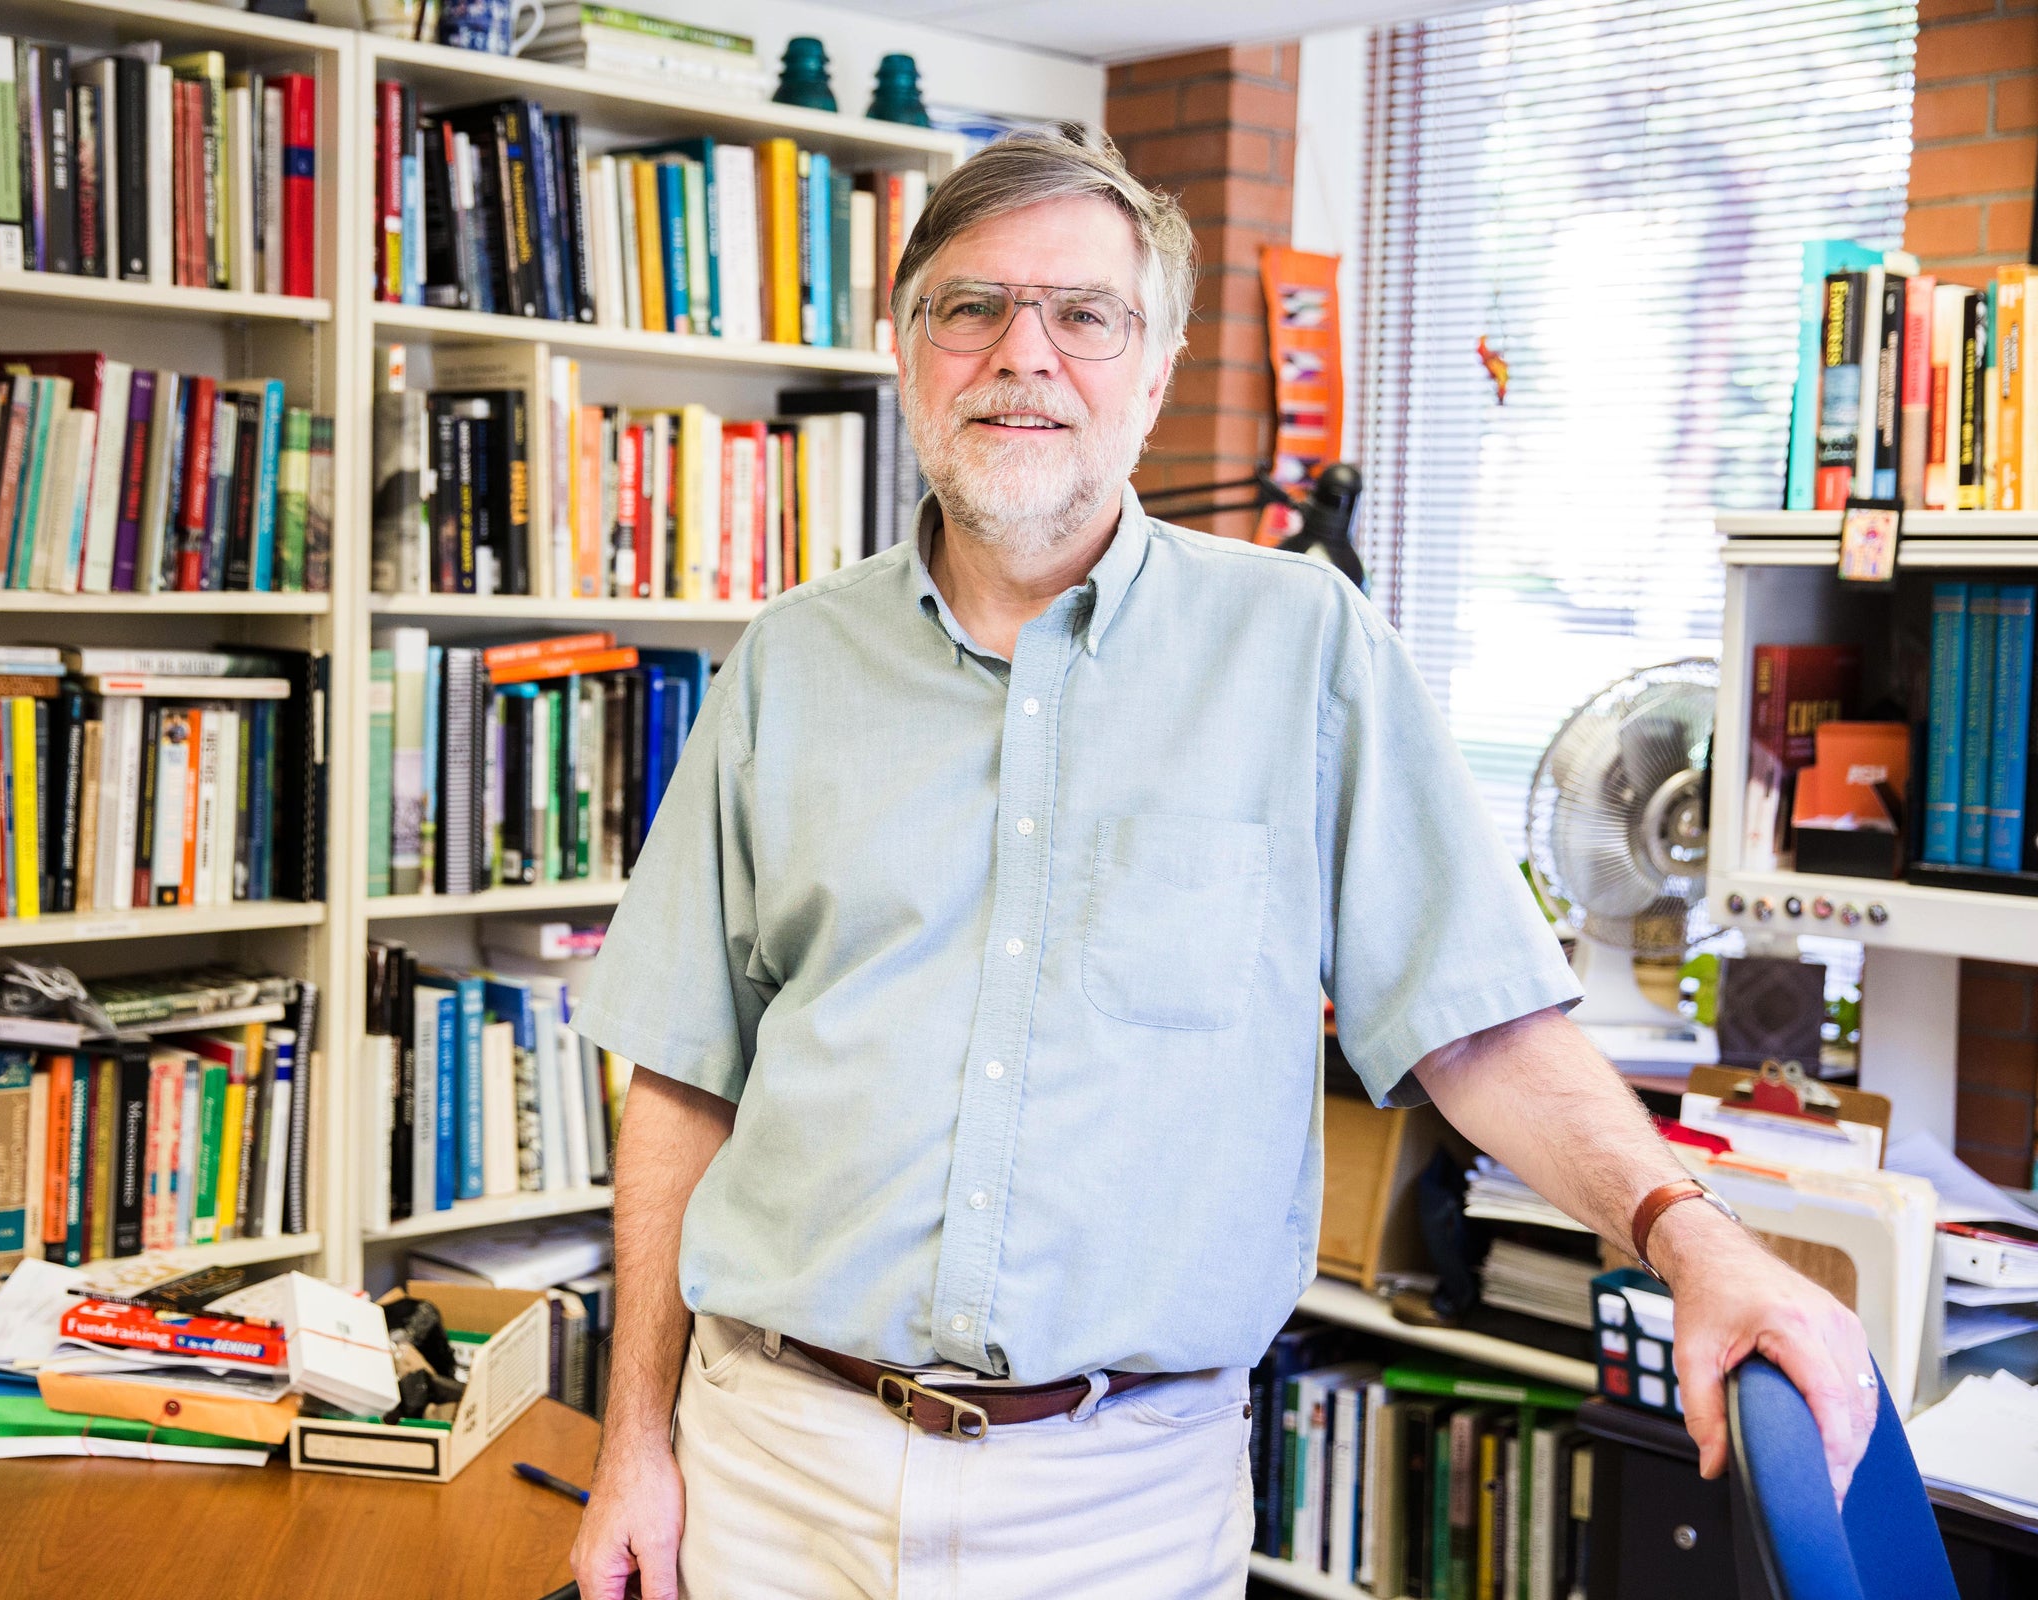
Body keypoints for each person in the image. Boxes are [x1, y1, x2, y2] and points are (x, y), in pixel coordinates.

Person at [566, 125, 1876, 1600]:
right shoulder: (786, 666)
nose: (1026, 354)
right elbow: (685, 1077)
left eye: (1084, 315)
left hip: (1118, 1505)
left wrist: (1689, 1238)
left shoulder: (1306, 649)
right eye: (972, 307)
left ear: (1158, 365)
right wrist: (635, 1444)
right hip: (771, 1469)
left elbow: (1479, 1027)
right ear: (906, 344)